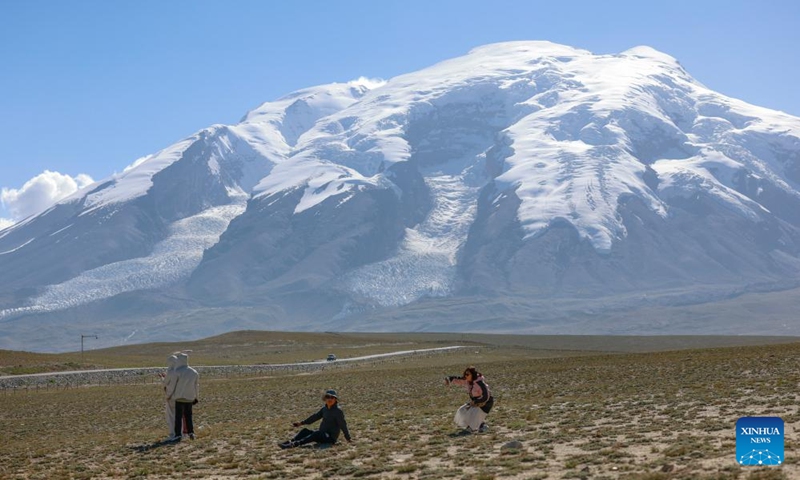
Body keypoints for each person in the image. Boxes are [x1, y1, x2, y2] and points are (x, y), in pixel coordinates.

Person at [278, 389, 352, 449]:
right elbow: (315, 417)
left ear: (335, 399)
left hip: (330, 438)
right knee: (305, 431)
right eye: (328, 397)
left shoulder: (338, 411)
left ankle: (294, 445)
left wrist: (348, 438)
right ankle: (289, 442)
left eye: (332, 397)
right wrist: (301, 423)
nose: (330, 399)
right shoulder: (324, 409)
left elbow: (343, 425)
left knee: (316, 433)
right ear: (325, 399)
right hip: (322, 434)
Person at [445, 366, 494, 433]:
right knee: (462, 410)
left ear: (472, 375)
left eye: (467, 374)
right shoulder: (467, 381)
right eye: (465, 374)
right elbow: (458, 379)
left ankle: (477, 427)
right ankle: (480, 425)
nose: (465, 376)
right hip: (475, 402)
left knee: (473, 415)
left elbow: (486, 396)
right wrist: (448, 379)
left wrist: (476, 402)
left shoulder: (480, 383)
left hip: (485, 403)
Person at [166, 352, 199, 441]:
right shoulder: (194, 372)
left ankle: (178, 435)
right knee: (188, 416)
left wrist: (168, 395)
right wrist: (196, 397)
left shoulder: (177, 372)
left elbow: (172, 386)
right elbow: (196, 385)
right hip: (190, 398)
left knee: (178, 417)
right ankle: (191, 432)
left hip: (180, 397)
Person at [160, 354, 179, 439]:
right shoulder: (179, 371)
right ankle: (180, 432)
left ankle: (173, 433)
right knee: (179, 415)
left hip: (171, 396)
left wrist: (162, 378)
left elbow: (165, 383)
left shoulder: (171, 372)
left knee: (171, 416)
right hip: (180, 395)